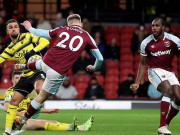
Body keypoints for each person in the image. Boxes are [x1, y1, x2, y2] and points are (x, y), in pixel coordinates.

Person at [15, 14, 103, 130]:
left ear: (68, 24)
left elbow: (42, 33)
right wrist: (94, 68)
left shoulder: (62, 29)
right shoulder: (87, 36)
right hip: (57, 71)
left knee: (41, 64)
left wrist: (30, 28)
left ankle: (24, 66)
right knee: (41, 97)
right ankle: (24, 119)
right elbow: (100, 59)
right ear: (81, 25)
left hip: (47, 61)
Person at [130, 18, 180, 135]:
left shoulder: (174, 40)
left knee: (178, 98)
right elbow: (143, 63)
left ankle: (165, 124)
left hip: (169, 71)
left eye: (157, 26)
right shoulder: (146, 43)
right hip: (154, 71)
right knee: (168, 90)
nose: (154, 28)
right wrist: (137, 82)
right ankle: (162, 126)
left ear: (163, 27)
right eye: (153, 26)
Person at [1, 19, 49, 135]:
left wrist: (33, 51)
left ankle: (35, 108)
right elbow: (1, 58)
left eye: (15, 27)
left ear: (19, 29)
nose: (13, 29)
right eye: (11, 27)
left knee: (39, 89)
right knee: (13, 101)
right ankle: (7, 132)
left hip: (37, 71)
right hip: (25, 75)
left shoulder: (28, 36)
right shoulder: (10, 48)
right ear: (7, 31)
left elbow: (45, 42)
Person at [4, 71, 94, 133]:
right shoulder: (10, 92)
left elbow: (30, 108)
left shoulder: (24, 93)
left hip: (24, 119)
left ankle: (80, 127)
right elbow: (6, 108)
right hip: (16, 122)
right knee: (43, 123)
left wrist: (48, 111)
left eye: (20, 77)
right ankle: (73, 128)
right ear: (12, 80)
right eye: (16, 77)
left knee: (53, 121)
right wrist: (22, 115)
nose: (19, 79)